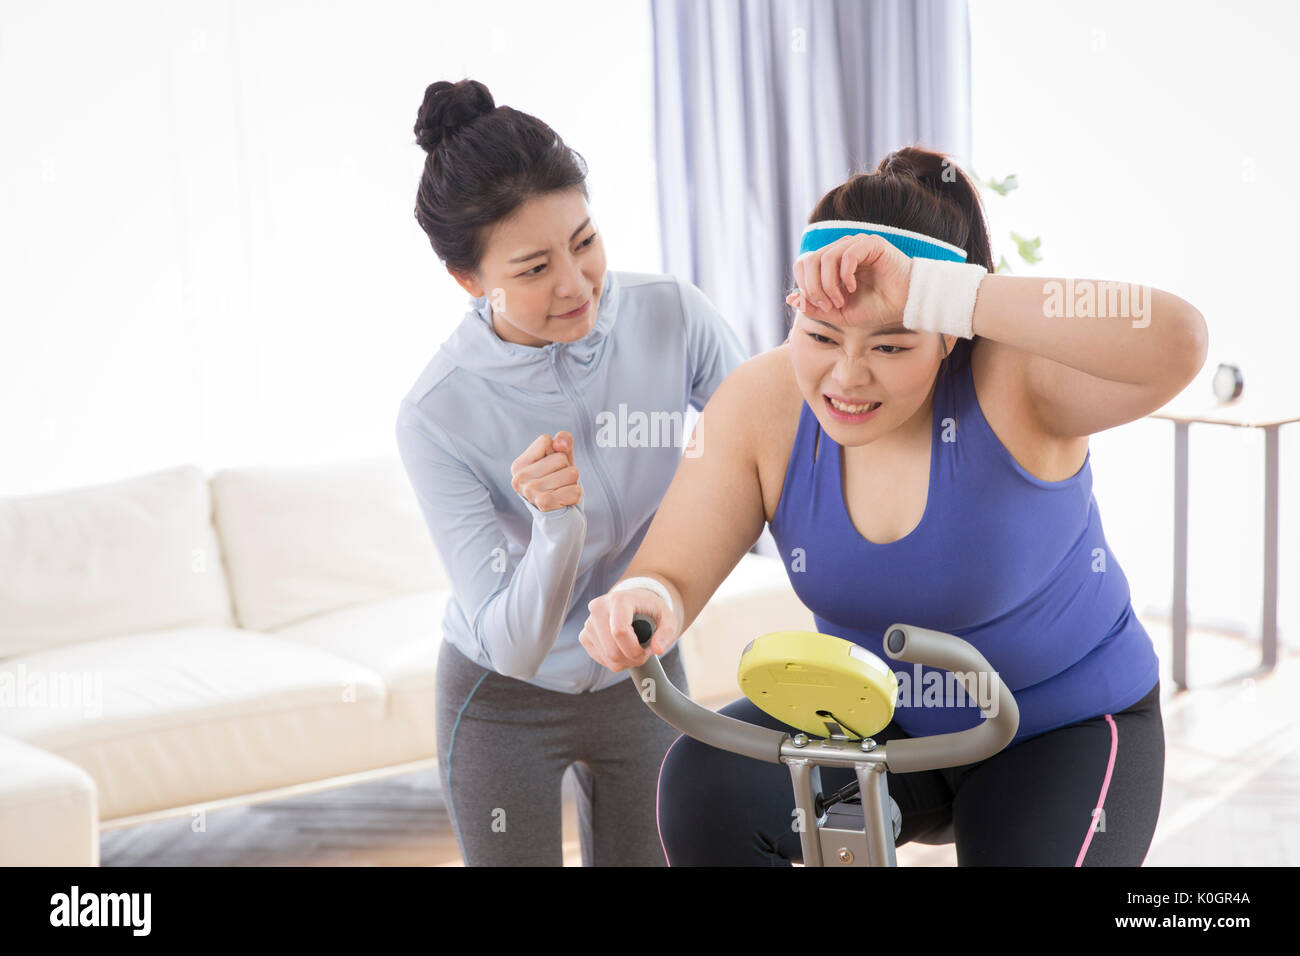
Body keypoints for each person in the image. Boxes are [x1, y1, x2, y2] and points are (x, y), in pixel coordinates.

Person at [579, 146, 1207, 866]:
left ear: (948, 335)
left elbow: (1178, 342)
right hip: (884, 725)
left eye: (891, 343)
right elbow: (671, 576)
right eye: (819, 336)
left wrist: (945, 292)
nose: (846, 377)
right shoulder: (763, 403)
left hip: (1061, 729)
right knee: (704, 785)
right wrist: (642, 599)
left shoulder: (1013, 382)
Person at [394, 79, 747, 867]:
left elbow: (774, 439)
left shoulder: (670, 314)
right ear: (469, 282)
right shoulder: (436, 414)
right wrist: (557, 528)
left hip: (643, 666)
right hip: (502, 700)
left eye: (584, 242)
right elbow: (511, 644)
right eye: (532, 268)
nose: (577, 284)